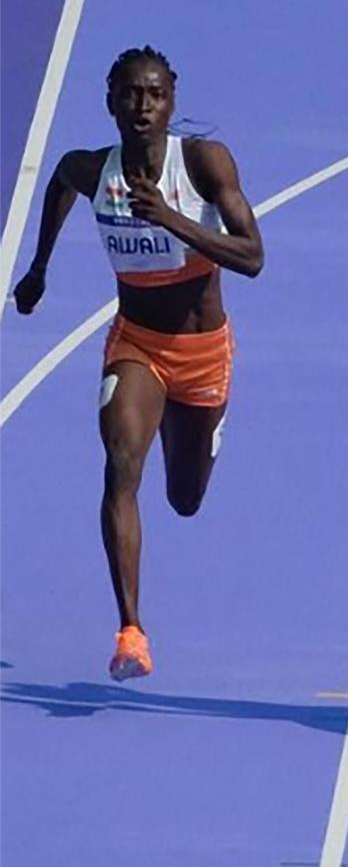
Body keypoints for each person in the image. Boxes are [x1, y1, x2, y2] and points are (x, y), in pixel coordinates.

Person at [10, 46, 265, 679]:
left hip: (203, 355)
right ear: (111, 102)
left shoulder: (204, 164)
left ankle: (204, 439)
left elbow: (253, 255)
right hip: (137, 346)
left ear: (172, 101)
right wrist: (38, 269)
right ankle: (132, 631)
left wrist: (172, 220)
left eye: (153, 95)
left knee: (184, 498)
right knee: (121, 466)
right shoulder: (95, 169)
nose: (142, 106)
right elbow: (61, 183)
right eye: (129, 94)